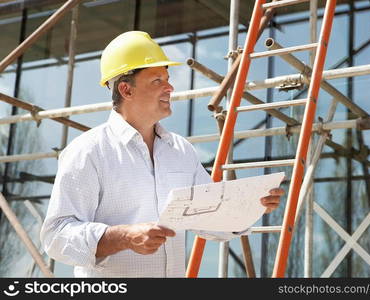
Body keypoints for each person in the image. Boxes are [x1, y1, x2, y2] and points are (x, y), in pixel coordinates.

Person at [40, 31, 284, 277]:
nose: (170, 87)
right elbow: (57, 236)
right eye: (157, 80)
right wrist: (123, 237)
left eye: (167, 79)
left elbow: (208, 217)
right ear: (126, 89)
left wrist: (248, 206)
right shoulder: (88, 151)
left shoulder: (180, 150)